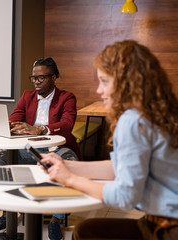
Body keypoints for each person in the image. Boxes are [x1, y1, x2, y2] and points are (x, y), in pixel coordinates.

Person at [40, 40, 178, 240]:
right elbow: (120, 166)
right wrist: (67, 165)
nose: (99, 90)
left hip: (168, 230)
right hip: (162, 221)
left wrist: (70, 180)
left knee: (87, 232)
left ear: (127, 82)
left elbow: (125, 196)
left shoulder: (132, 120)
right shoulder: (156, 113)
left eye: (104, 81)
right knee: (86, 230)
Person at [0, 57, 82, 239]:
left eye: (42, 78)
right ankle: (8, 213)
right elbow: (15, 116)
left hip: (56, 148)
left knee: (69, 161)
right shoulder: (27, 96)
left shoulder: (66, 97)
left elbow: (67, 124)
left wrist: (39, 128)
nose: (37, 82)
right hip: (30, 149)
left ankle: (56, 218)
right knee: (1, 157)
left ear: (54, 77)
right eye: (34, 78)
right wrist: (10, 125)